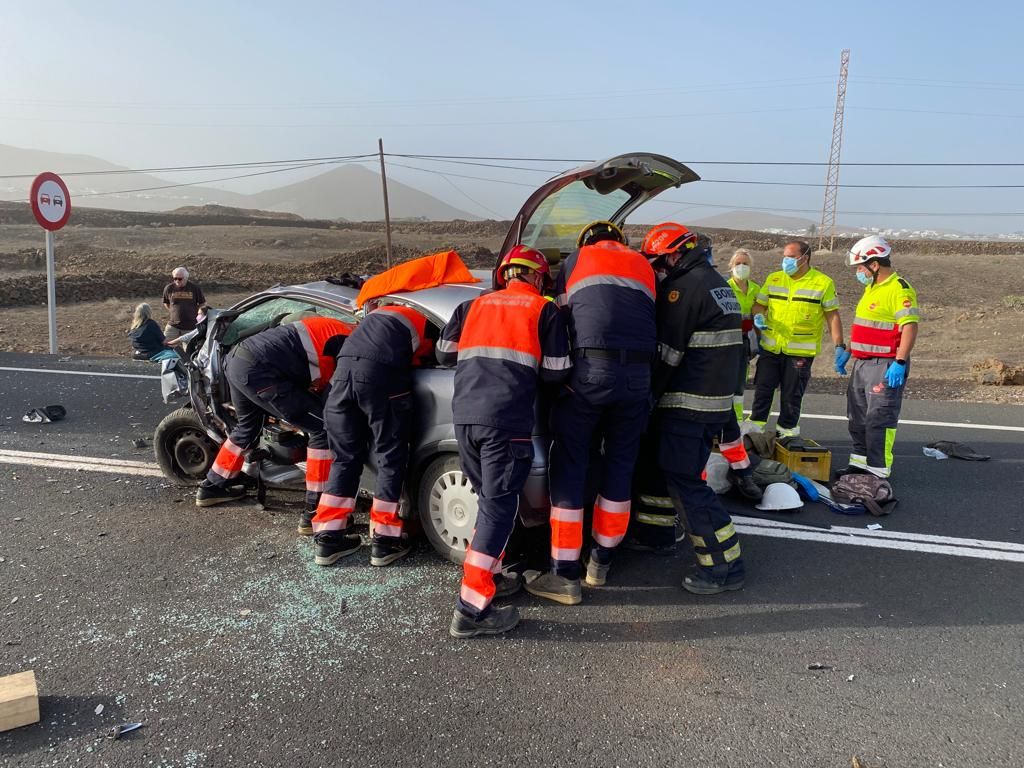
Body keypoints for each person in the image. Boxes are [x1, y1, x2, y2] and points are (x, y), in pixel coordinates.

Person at [438, 245, 571, 638]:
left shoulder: (470, 306)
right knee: (499, 510)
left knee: (489, 503)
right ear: (538, 277)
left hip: (464, 420)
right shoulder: (543, 310)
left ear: (506, 274)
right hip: (506, 423)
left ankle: (491, 577)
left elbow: (444, 355)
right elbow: (556, 372)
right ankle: (471, 610)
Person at [524, 221, 656, 605]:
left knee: (570, 463)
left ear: (586, 242)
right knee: (619, 465)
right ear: (621, 241)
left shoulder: (577, 259)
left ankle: (564, 573)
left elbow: (560, 319)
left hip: (589, 373)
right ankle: (601, 561)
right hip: (637, 378)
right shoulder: (644, 266)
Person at [645, 223, 748, 594]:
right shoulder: (717, 283)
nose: (656, 270)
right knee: (663, 472)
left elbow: (668, 355)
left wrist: (646, 395)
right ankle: (655, 536)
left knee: (686, 483)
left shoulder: (682, 290)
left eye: (657, 262)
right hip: (712, 405)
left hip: (687, 405)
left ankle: (723, 566)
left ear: (673, 255)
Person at [196, 315, 350, 532]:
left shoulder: (334, 326)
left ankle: (212, 487)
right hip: (260, 371)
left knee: (248, 427)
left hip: (237, 361)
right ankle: (315, 511)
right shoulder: (349, 341)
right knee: (323, 427)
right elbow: (332, 391)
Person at [310, 303, 434, 567]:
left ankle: (328, 538)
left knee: (345, 457)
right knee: (390, 454)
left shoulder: (377, 314)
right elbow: (431, 357)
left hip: (342, 378)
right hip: (381, 376)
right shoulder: (423, 317)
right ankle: (385, 540)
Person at [836, 236, 920, 479]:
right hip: (862, 363)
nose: (858, 272)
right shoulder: (871, 288)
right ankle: (860, 464)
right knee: (858, 417)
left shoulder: (899, 289)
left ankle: (877, 471)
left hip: (885, 364)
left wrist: (900, 362)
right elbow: (865, 326)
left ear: (874, 265)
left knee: (879, 419)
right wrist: (848, 352)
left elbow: (910, 327)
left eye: (860, 267)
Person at [749, 241, 846, 441]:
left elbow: (832, 316)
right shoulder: (774, 278)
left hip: (799, 352)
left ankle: (786, 434)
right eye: (784, 256)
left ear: (805, 258)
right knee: (763, 391)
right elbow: (759, 305)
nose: (786, 261)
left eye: (791, 257)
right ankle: (754, 430)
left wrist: (839, 345)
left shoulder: (823, 283)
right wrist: (758, 317)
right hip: (771, 348)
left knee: (791, 395)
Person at [162, 267, 207, 342]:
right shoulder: (169, 288)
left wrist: (197, 313)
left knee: (189, 350)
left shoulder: (194, 288)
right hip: (173, 325)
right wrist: (173, 312)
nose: (177, 281)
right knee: (166, 345)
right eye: (175, 278)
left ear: (186, 278)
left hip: (190, 326)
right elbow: (166, 303)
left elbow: (202, 303)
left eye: (180, 279)